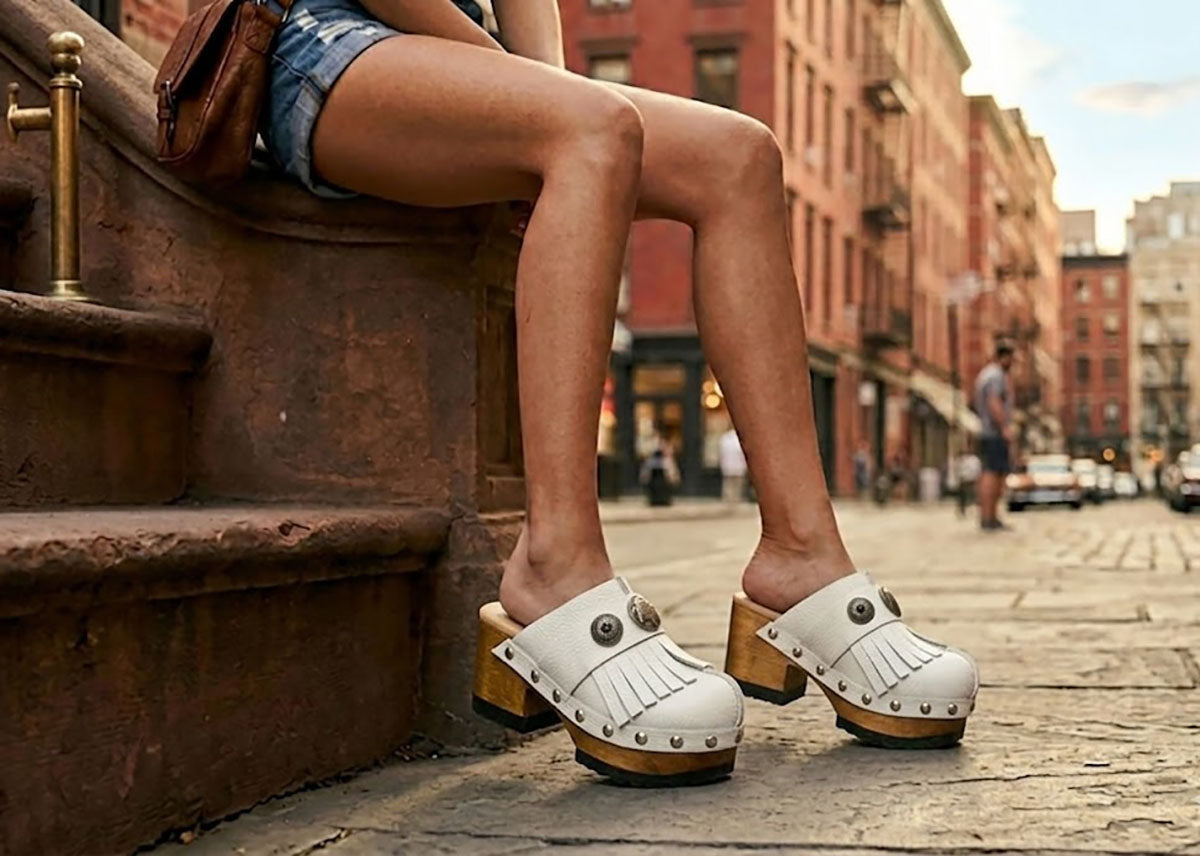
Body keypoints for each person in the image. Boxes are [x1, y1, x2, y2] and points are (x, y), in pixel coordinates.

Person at [262, 0, 979, 785]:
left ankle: (801, 556)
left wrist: (540, 81)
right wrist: (538, 88)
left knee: (740, 154)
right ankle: (555, 561)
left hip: (473, 57)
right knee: (592, 125)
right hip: (329, 43)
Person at [974, 341, 1015, 530]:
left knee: (990, 472)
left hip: (987, 431)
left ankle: (988, 516)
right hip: (993, 433)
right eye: (1012, 358)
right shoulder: (995, 376)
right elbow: (994, 402)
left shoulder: (987, 374)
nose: (1013, 363)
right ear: (1004, 356)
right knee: (993, 473)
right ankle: (989, 517)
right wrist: (1004, 427)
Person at [719, 428, 748, 506]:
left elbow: (721, 453)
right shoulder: (739, 439)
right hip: (737, 466)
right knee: (737, 485)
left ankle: (729, 500)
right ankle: (735, 500)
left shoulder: (725, 439)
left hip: (729, 466)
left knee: (729, 485)